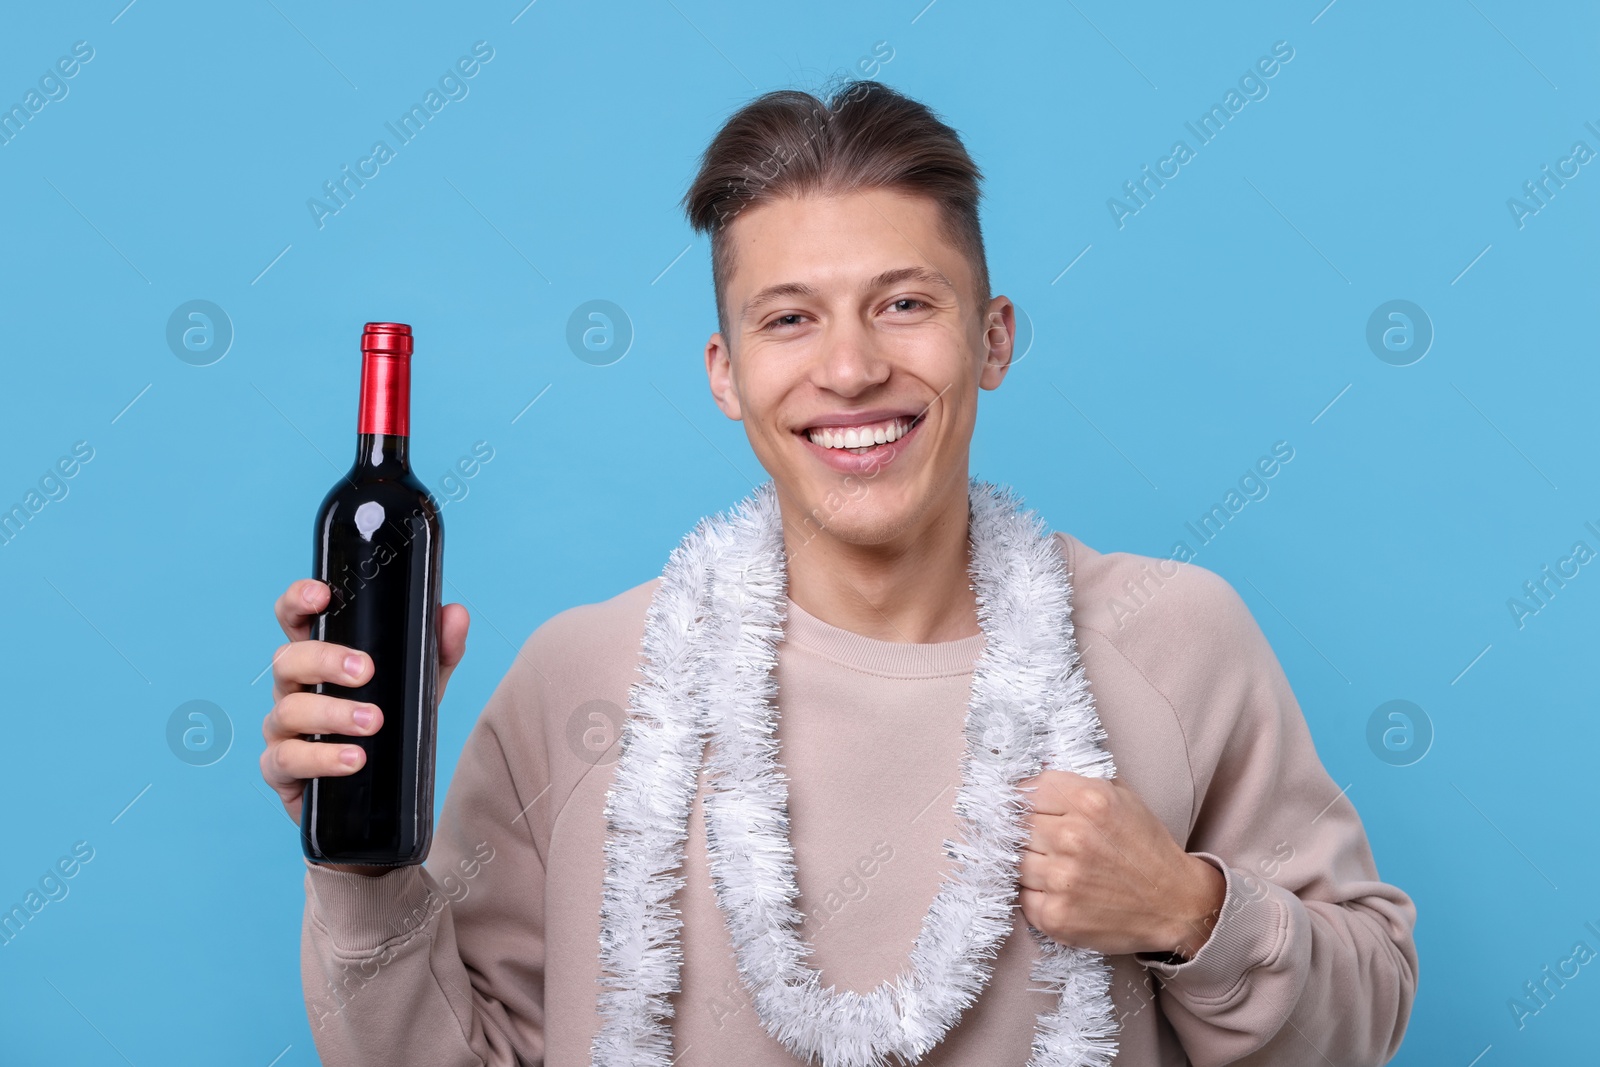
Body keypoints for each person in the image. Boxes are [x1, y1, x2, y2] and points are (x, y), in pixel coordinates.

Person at [263, 79, 1417, 1066]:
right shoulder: (583, 678)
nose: (852, 367)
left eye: (904, 303)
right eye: (789, 319)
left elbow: (1367, 1006)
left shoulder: (1176, 638)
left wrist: (1187, 909)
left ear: (992, 337)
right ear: (725, 372)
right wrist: (359, 852)